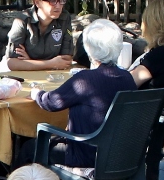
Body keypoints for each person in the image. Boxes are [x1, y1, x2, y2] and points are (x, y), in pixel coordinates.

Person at [29, 19, 135, 168]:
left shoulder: (85, 80)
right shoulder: (128, 78)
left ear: (89, 49)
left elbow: (51, 102)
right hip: (119, 156)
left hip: (85, 154)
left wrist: (36, 93)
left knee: (29, 148)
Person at [0, 0, 76, 71]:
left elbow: (66, 60)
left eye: (61, 0)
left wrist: (30, 62)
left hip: (46, 73)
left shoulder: (64, 18)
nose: (58, 6)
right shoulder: (22, 21)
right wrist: (50, 63)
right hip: (12, 74)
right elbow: (12, 63)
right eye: (53, 1)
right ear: (37, 2)